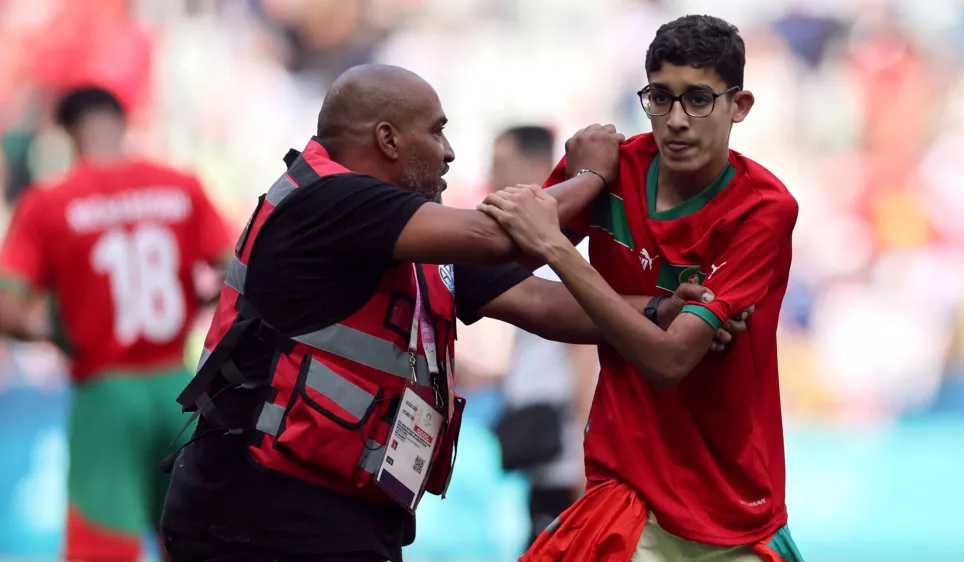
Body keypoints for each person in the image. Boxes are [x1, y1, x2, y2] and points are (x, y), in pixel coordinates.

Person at [159, 64, 747, 562]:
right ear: (388, 140)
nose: (449, 151)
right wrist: (592, 175)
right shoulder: (325, 199)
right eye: (437, 132)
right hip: (255, 508)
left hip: (338, 509)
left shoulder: (418, 239)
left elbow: (544, 302)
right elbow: (500, 238)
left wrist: (663, 308)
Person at [479, 15, 804, 562]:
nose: (676, 120)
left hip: (731, 507)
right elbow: (489, 257)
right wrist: (584, 183)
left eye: (698, 99)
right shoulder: (613, 171)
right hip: (625, 490)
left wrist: (560, 251)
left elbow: (670, 360)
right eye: (661, 97)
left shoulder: (763, 209)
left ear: (739, 106)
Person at [0, 86, 233, 561]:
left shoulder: (50, 201)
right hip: (181, 390)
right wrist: (197, 298)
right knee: (200, 544)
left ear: (67, 132)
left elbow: (7, 306)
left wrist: (57, 334)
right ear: (124, 121)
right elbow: (239, 267)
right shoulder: (180, 184)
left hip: (104, 392)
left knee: (102, 548)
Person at [488, 125, 597, 545]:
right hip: (545, 457)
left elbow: (585, 357)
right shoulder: (534, 254)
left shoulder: (560, 257)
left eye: (501, 165)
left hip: (566, 461)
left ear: (536, 167)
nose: (493, 177)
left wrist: (588, 464)